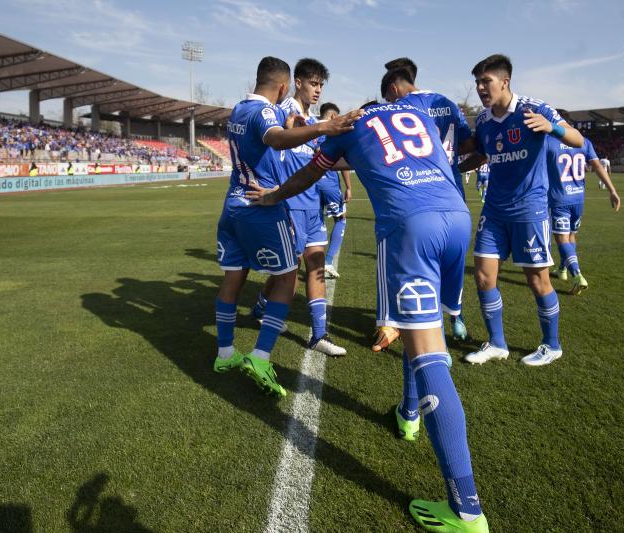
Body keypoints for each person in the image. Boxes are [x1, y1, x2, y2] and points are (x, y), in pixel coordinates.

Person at [245, 99, 489, 532]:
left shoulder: (351, 125)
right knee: (427, 332)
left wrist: (273, 195)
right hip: (457, 218)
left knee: (428, 352)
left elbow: (310, 172)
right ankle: (408, 414)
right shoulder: (418, 118)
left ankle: (466, 509)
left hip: (412, 227)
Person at [212, 56, 360, 398]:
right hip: (261, 205)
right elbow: (277, 138)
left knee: (235, 277)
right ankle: (261, 357)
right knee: (288, 277)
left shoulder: (238, 109)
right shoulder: (265, 112)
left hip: (233, 203)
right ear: (284, 86)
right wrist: (326, 127)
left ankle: (224, 354)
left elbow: (285, 131)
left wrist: (300, 124)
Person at [457, 54, 583, 367]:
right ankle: (497, 343)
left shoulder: (535, 109)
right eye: (477, 83)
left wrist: (551, 127)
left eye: (486, 81)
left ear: (505, 81)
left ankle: (551, 345)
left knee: (537, 280)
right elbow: (483, 155)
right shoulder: (485, 120)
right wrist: (454, 168)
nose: (481, 88)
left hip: (530, 210)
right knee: (484, 276)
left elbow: (578, 139)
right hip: (495, 211)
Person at [251, 58, 347, 357]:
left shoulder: (314, 121)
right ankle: (260, 309)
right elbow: (264, 148)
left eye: (321, 85)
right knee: (286, 275)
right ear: (299, 82)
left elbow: (323, 160)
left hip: (312, 207)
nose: (318, 90)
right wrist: (268, 186)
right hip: (287, 207)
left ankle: (319, 335)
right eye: (314, 83)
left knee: (316, 265)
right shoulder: (279, 114)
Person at [380, 60, 474, 343]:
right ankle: (457, 317)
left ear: (395, 88)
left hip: (421, 192)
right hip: (454, 193)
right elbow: (468, 142)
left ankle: (412, 324)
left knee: (420, 260)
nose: (389, 102)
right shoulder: (447, 101)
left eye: (388, 97)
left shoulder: (406, 107)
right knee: (452, 260)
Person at [546, 136, 620, 294]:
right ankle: (562, 269)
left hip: (560, 199)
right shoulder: (583, 141)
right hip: (578, 198)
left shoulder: (548, 141)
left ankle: (577, 275)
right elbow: (598, 166)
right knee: (571, 236)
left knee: (562, 239)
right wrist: (612, 190)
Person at [315, 102, 352, 279]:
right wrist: (349, 187)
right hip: (328, 182)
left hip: (308, 183)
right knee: (341, 219)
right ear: (332, 117)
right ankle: (327, 261)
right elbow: (341, 160)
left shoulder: (308, 129)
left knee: (314, 221)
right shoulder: (333, 133)